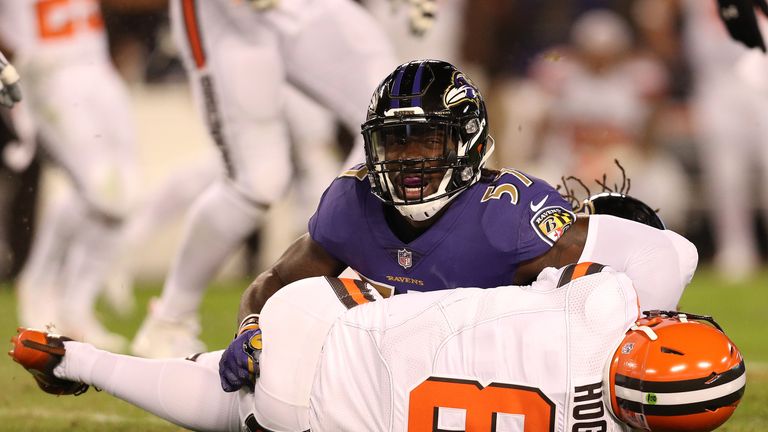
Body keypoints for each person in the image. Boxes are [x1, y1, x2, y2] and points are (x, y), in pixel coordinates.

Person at [233, 59, 697, 324]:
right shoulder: (350, 203)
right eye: (394, 140)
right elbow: (272, 284)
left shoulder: (509, 214)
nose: (408, 157)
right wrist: (251, 331)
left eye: (425, 138)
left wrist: (648, 326)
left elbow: (658, 259)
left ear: (468, 141)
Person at [10, 267, 745, 431]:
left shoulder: (606, 307)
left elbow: (632, 261)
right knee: (236, 412)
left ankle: (79, 360)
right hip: (321, 424)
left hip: (322, 323)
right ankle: (79, 362)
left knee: (352, 304)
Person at [130, 0, 397, 358]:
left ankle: (355, 301)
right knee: (257, 182)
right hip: (232, 16)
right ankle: (170, 320)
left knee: (392, 119)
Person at [0, 0, 139, 351]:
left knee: (125, 192)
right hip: (47, 70)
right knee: (102, 191)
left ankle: (76, 306)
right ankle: (38, 282)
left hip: (97, 62)